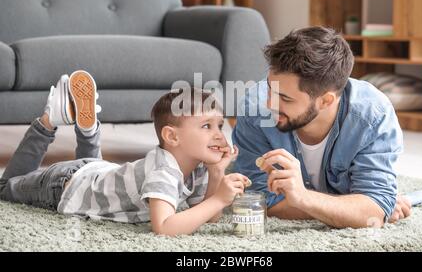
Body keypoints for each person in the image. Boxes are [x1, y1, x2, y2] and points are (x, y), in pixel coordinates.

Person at [0, 70, 249, 236]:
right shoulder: (164, 171)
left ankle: (88, 131)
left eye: (219, 125)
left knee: (99, 181)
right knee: (4, 189)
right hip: (64, 185)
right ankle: (48, 121)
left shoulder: (199, 167)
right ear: (172, 136)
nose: (219, 134)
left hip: (99, 173)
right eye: (207, 126)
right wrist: (219, 199)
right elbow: (163, 227)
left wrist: (217, 173)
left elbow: (209, 218)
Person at [232, 27, 412, 229]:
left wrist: (303, 198)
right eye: (269, 88)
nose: (269, 103)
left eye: (284, 98)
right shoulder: (255, 110)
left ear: (325, 101)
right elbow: (260, 201)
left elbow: (372, 213)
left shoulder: (372, 116)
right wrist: (354, 207)